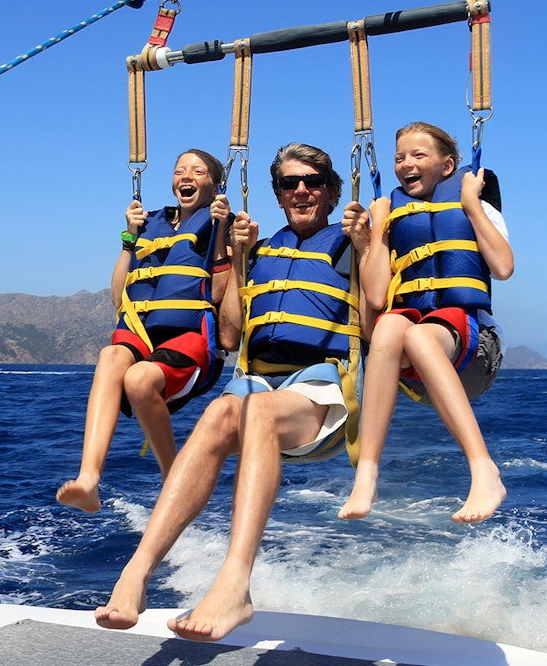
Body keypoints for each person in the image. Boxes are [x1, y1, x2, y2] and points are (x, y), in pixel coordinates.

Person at [94, 143, 370, 641]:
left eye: (312, 182)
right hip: (257, 380)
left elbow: (373, 322)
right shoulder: (260, 251)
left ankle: (236, 583)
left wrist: (369, 246)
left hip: (322, 389)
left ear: (332, 192)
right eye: (289, 184)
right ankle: (138, 570)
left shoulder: (350, 244)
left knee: (255, 407)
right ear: (278, 195)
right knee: (220, 413)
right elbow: (227, 335)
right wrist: (240, 260)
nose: (301, 191)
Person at [338, 122, 513, 524]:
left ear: (447, 166)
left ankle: (484, 470)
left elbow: (503, 267)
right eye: (399, 157)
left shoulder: (473, 202)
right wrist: (376, 233)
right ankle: (367, 474)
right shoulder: (393, 215)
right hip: (418, 371)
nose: (406, 164)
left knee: (417, 336)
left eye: (418, 155)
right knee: (389, 326)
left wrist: (471, 205)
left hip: (476, 351)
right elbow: (376, 296)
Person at [57, 148, 232, 514]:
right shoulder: (150, 223)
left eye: (197, 171)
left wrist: (220, 231)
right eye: (179, 170)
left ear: (216, 186)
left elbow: (218, 292)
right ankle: (89, 479)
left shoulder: (220, 223)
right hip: (140, 331)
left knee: (138, 381)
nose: (186, 176)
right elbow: (118, 297)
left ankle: (173, 479)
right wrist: (129, 239)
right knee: (110, 355)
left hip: (189, 340)